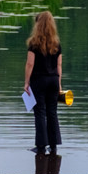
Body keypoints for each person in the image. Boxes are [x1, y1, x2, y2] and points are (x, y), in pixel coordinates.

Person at [23, 11, 63, 154]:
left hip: (39, 80)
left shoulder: (34, 43)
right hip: (53, 80)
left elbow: (30, 64)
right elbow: (59, 65)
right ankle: (53, 144)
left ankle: (40, 145)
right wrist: (59, 83)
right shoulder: (56, 43)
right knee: (52, 112)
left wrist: (26, 82)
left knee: (39, 112)